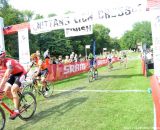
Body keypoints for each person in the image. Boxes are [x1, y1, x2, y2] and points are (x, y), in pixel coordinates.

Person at [0, 50, 27, 120]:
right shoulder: (1, 63)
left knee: (13, 89)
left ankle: (16, 110)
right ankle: (18, 104)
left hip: (21, 73)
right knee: (6, 92)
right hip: (13, 75)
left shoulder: (9, 62)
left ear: (3, 58)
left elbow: (6, 76)